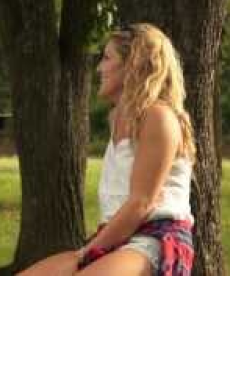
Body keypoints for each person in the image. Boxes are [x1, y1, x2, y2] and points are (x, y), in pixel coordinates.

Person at [20, 23, 196, 276]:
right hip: (116, 237)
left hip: (154, 240)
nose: (99, 68)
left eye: (106, 58)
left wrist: (86, 253)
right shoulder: (118, 118)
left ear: (133, 64)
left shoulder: (158, 116)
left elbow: (141, 203)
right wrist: (91, 250)